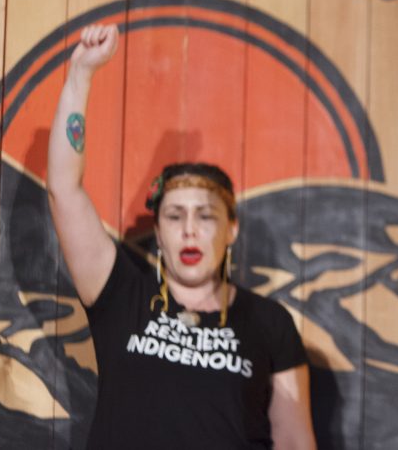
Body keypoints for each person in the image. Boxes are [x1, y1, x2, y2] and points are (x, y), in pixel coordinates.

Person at [46, 24, 316, 449]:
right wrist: (81, 73)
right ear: (158, 232)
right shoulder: (121, 295)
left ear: (231, 229)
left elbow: (295, 439)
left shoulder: (269, 323)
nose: (189, 228)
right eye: (174, 216)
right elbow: (64, 189)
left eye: (205, 215)